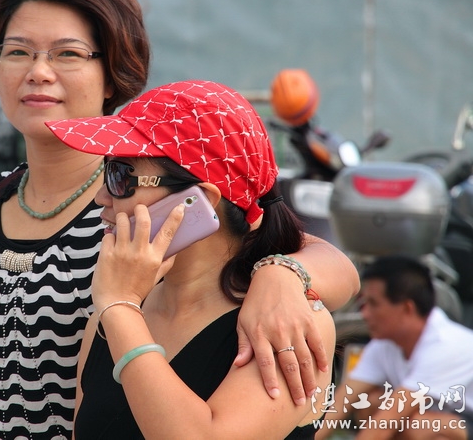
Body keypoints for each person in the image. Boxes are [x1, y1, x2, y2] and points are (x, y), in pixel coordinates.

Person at [0, 0, 359, 439]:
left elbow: (306, 249)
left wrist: (283, 275)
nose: (38, 71)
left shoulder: (136, 224)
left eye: (67, 53)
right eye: (17, 51)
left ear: (111, 72)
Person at [46, 79, 336, 439]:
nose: (101, 198)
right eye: (107, 169)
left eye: (120, 176)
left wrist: (120, 306)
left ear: (198, 200)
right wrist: (119, 308)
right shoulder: (106, 321)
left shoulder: (286, 323)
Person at [315, 255, 473, 440]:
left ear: (407, 308)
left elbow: (386, 422)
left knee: (418, 427)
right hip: (429, 413)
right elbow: (339, 405)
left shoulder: (446, 346)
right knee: (370, 403)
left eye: (373, 304)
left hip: (465, 419)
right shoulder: (383, 344)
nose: (364, 313)